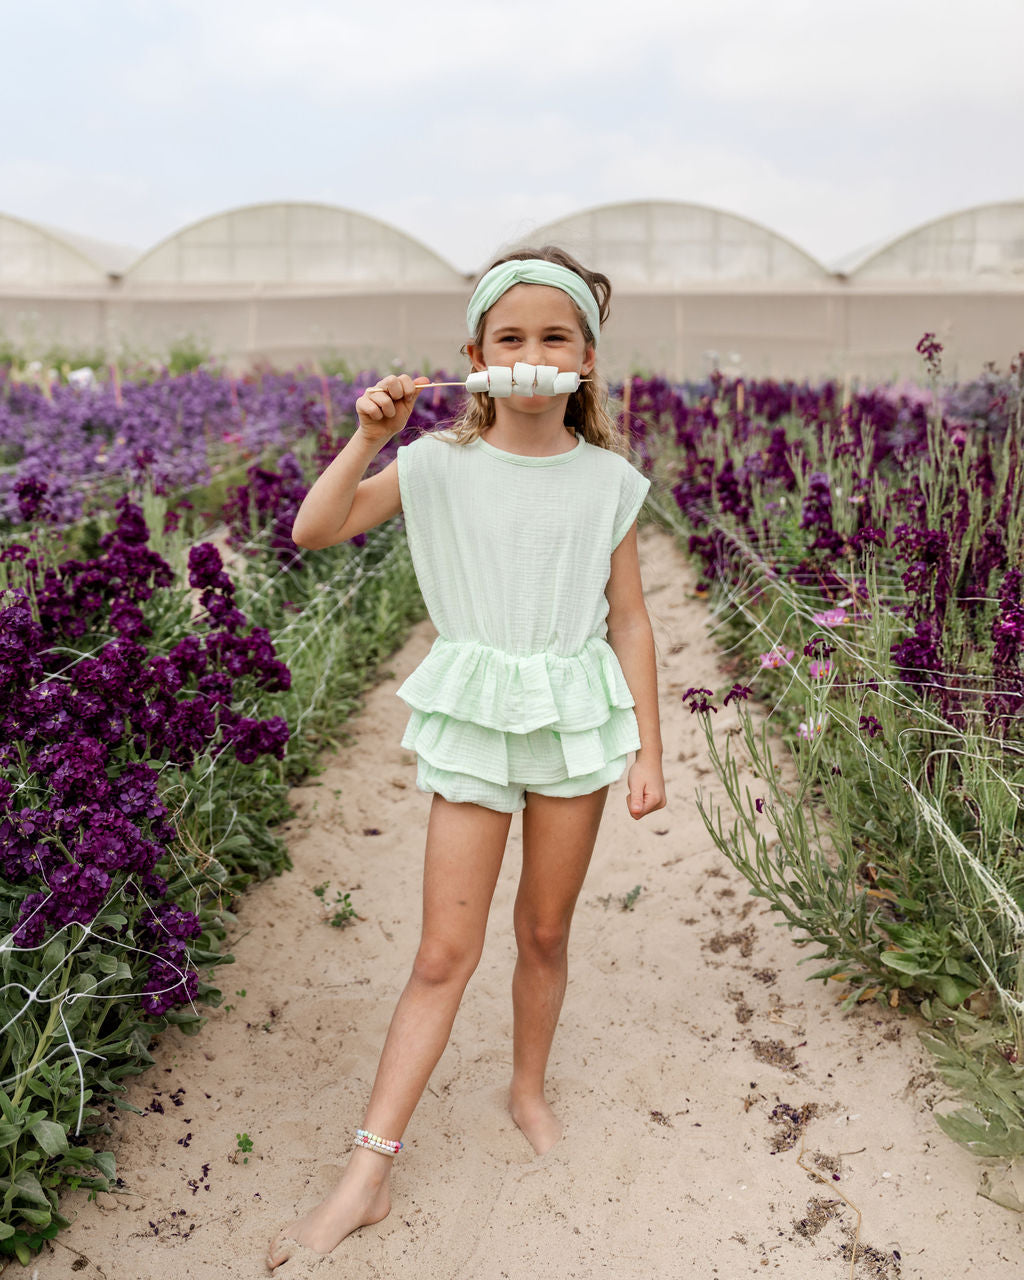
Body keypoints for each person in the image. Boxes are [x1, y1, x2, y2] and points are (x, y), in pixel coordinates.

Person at [266, 245, 666, 1271]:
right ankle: (369, 1167)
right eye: (510, 336)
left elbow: (628, 622)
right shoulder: (436, 464)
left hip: (573, 717)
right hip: (477, 715)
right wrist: (365, 439)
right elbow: (314, 531)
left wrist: (646, 750)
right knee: (443, 952)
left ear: (584, 360)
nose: (531, 352)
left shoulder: (609, 480)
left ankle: (525, 1086)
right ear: (475, 354)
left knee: (543, 930)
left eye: (553, 336)